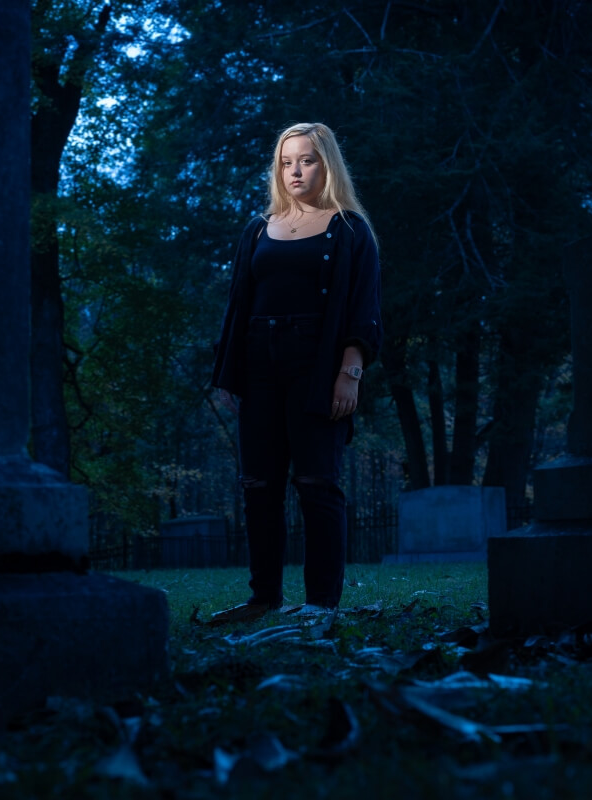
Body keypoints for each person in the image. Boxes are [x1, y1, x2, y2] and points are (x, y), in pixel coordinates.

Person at [210, 122, 382, 622]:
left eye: (305, 160)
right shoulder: (258, 229)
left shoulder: (349, 228)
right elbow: (238, 304)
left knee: (316, 482)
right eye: (286, 162)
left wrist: (349, 371)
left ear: (326, 163)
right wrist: (227, 375)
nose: (295, 171)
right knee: (258, 484)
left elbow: (364, 305)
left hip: (316, 361)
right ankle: (263, 597)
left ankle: (320, 603)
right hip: (258, 360)